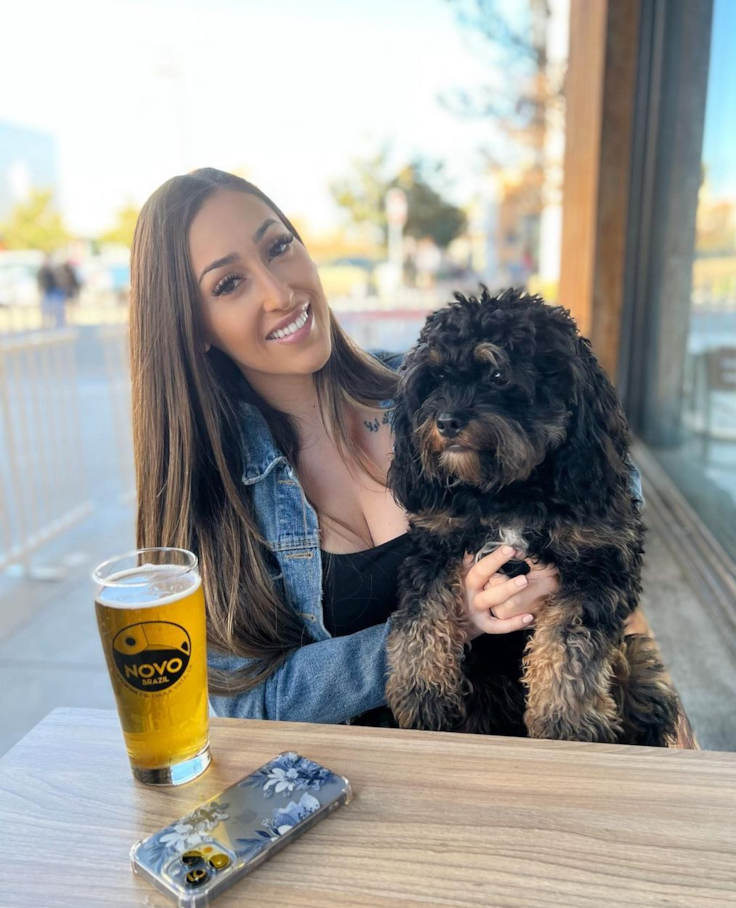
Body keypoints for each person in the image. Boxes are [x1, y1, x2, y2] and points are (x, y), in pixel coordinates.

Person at [129, 168, 634, 726]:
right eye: (228, 284)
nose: (279, 292)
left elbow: (609, 476)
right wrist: (448, 622)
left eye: (278, 247)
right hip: (367, 783)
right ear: (193, 326)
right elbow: (248, 704)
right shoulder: (213, 493)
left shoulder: (431, 385)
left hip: (542, 752)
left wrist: (566, 574)